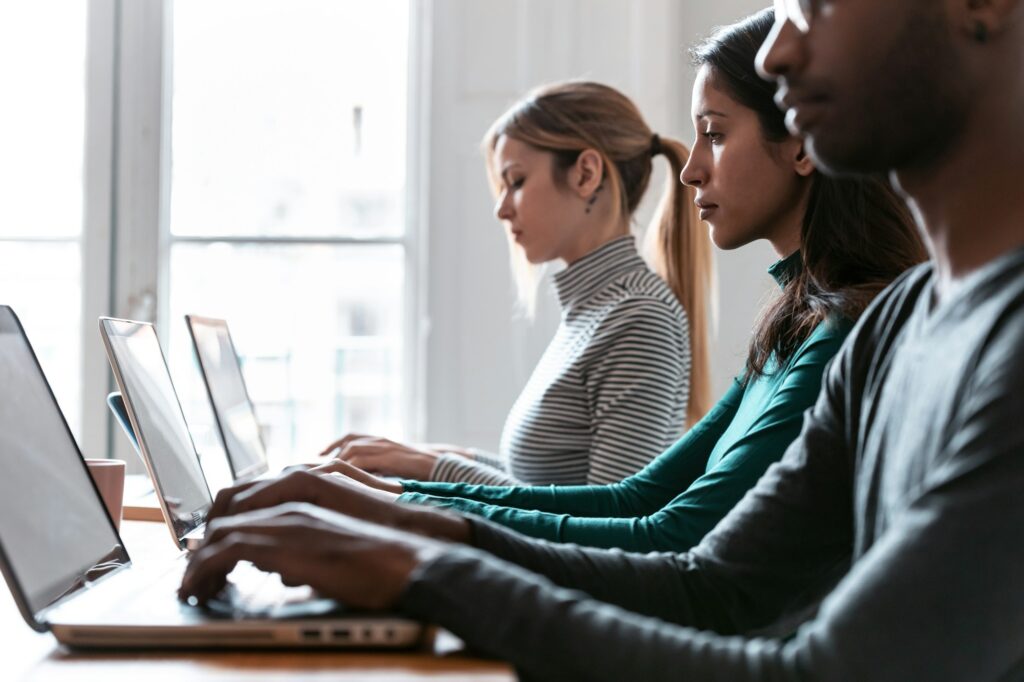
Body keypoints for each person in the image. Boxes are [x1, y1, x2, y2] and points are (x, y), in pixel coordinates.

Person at [181, 2, 1024, 680]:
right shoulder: (890, 324)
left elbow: (813, 664)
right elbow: (709, 584)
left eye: (817, 2)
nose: (777, 52)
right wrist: (404, 525)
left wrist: (421, 558)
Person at [311, 10, 926, 554]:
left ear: (800, 144)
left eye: (714, 133)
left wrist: (410, 502)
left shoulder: (836, 333)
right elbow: (636, 498)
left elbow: (665, 535)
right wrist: (400, 492)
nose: (690, 170)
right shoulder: (792, 326)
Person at [319, 81, 714, 488]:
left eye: (517, 181)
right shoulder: (596, 310)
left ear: (586, 174)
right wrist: (425, 455)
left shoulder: (639, 318)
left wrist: (428, 468)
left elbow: (604, 522)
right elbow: (544, 482)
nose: (502, 208)